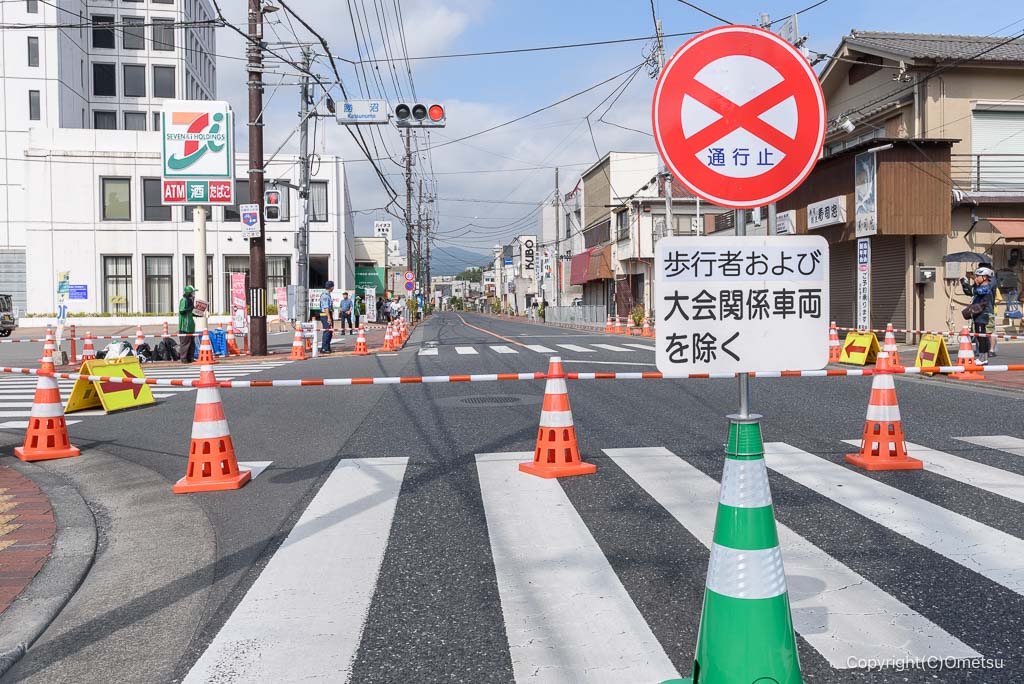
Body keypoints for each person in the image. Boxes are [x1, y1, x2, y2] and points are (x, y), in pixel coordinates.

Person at [961, 266, 996, 365]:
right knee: (980, 337)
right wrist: (964, 284)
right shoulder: (980, 286)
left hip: (983, 315)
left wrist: (966, 283)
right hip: (978, 315)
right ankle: (983, 358)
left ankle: (982, 358)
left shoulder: (986, 287)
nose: (976, 278)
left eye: (978, 276)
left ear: (985, 277)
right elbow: (969, 292)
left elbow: (973, 291)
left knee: (982, 337)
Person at [178, 285, 196, 364]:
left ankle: (190, 358)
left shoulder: (190, 301)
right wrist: (190, 308)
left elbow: (191, 313)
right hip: (185, 326)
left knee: (191, 343)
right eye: (192, 293)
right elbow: (182, 311)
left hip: (190, 326)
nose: (193, 294)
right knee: (185, 343)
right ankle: (184, 359)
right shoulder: (184, 300)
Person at [319, 281, 334, 353]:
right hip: (325, 315)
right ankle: (324, 348)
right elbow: (326, 308)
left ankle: (327, 347)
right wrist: (329, 317)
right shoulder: (325, 295)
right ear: (331, 287)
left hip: (327, 314)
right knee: (327, 331)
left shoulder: (327, 294)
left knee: (330, 331)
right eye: (333, 287)